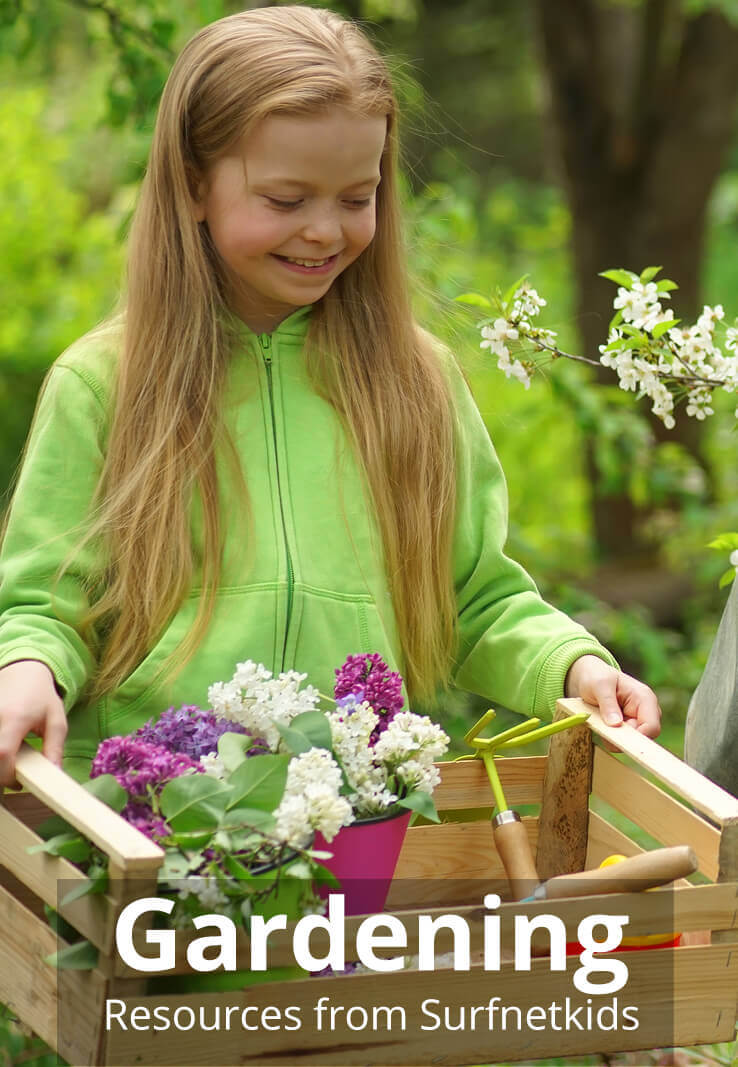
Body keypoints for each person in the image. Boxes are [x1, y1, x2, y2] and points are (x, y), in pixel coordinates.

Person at [0, 5, 661, 788]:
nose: (324, 231)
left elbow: (475, 599)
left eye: (356, 198)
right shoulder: (104, 383)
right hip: (149, 822)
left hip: (360, 823)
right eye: (286, 200)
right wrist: (28, 667)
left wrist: (573, 664)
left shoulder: (417, 383)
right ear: (192, 185)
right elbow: (46, 604)